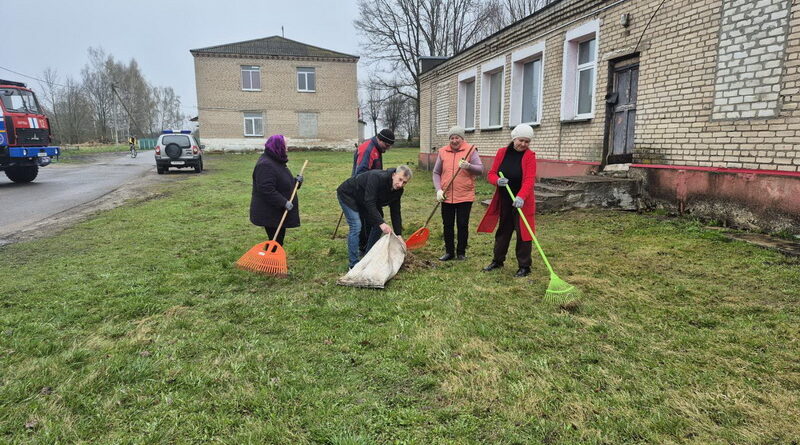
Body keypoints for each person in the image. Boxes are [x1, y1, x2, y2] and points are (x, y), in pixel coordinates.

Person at [477, 124, 537, 277]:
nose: (523, 144)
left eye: (527, 142)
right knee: (503, 231)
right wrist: (497, 180)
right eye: (521, 140)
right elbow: (491, 174)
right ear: (514, 138)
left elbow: (529, 180)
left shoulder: (530, 156)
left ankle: (524, 266)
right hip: (505, 200)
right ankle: (497, 261)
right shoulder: (502, 153)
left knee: (524, 234)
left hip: (522, 202)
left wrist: (521, 197)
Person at [337, 165, 412, 269]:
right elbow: (370, 202)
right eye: (399, 179)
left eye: (404, 182)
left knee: (377, 226)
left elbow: (395, 212)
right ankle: (353, 265)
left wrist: (399, 234)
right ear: (394, 175)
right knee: (356, 225)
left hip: (364, 199)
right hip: (349, 194)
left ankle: (368, 258)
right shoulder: (377, 177)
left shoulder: (398, 191)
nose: (400, 184)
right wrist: (382, 223)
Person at [432, 126, 483, 261]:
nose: (454, 141)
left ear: (462, 138)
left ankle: (461, 252)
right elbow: (436, 172)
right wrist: (438, 190)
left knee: (462, 224)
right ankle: (449, 252)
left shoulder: (471, 150)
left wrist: (469, 166)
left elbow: (480, 169)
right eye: (452, 138)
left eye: (457, 138)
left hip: (464, 196)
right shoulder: (443, 151)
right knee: (447, 224)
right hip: (446, 195)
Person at [249, 134, 303, 245]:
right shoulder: (266, 165)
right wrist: (284, 202)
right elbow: (266, 189)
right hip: (269, 212)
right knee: (275, 241)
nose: (287, 149)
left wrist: (296, 182)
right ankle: (270, 260)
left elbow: (282, 182)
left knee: (278, 240)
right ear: (278, 146)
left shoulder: (276, 161)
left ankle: (273, 259)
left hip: (276, 211)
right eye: (285, 145)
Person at [352, 128, 395, 254]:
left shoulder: (377, 148)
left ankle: (369, 248)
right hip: (363, 192)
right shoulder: (368, 150)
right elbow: (360, 175)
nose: (387, 148)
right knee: (370, 220)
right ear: (379, 139)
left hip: (371, 191)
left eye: (389, 146)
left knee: (375, 219)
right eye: (386, 145)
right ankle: (365, 249)